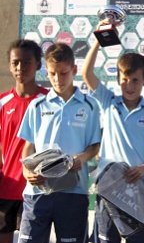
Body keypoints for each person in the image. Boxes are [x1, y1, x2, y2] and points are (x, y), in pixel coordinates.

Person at [81, 20, 144, 243]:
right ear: (118, 79)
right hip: (108, 188)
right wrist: (99, 39)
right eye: (124, 79)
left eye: (135, 80)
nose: (129, 85)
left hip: (140, 189)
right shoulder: (108, 102)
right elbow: (86, 73)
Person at [17, 43, 101, 243]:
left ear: (73, 70)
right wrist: (27, 171)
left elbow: (95, 145)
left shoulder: (90, 106)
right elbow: (29, 145)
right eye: (53, 74)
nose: (57, 79)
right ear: (46, 71)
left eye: (63, 73)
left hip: (73, 191)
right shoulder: (37, 105)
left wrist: (81, 158)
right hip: (38, 192)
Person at [0, 39, 49, 243]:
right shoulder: (3, 102)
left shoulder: (49, 100)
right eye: (16, 63)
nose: (21, 68)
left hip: (36, 189)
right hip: (5, 188)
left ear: (38, 64)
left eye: (27, 62)